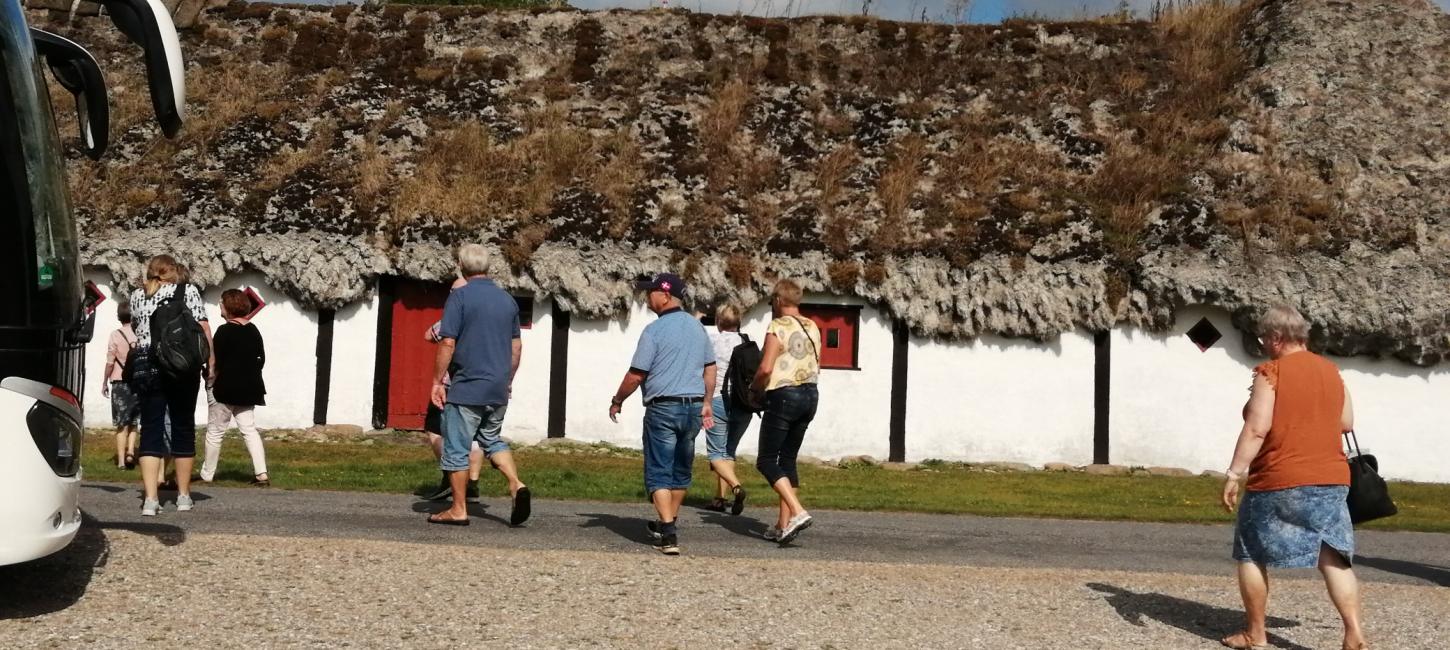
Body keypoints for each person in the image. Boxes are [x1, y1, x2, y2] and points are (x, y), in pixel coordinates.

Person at [1220, 305, 1365, 650]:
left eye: (1263, 339)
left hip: (1279, 477)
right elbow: (1346, 422)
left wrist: (1233, 473)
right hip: (1331, 478)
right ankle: (1354, 632)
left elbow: (1256, 429)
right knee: (1333, 556)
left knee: (1251, 551)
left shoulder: (1271, 373)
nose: (1263, 345)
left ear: (1276, 337)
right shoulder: (1332, 372)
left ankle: (1256, 634)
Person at [608, 272, 716, 556]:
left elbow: (636, 374)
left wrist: (618, 399)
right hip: (692, 407)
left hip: (663, 408)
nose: (647, 297)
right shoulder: (697, 328)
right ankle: (667, 521)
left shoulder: (653, 332)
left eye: (651, 292)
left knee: (658, 470)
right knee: (681, 470)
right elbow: (710, 368)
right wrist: (706, 401)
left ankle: (668, 532)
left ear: (665, 295)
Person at [427, 244, 530, 527]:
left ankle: (458, 508)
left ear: (461, 264)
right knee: (491, 439)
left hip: (467, 386)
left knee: (457, 447)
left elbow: (447, 341)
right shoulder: (507, 301)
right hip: (497, 387)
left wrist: (437, 381)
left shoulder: (459, 298)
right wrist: (507, 381)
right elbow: (516, 347)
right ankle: (516, 483)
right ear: (489, 266)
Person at [128, 254, 212, 516]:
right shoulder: (187, 291)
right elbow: (202, 328)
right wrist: (211, 363)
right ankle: (184, 496)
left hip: (146, 364)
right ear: (173, 271)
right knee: (182, 425)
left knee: (150, 426)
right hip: (180, 365)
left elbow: (136, 328)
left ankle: (151, 499)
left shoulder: (137, 296)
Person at [750, 279, 820, 545]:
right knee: (788, 460)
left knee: (766, 460)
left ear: (779, 300)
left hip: (784, 395)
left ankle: (798, 511)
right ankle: (783, 523)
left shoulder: (777, 327)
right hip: (810, 395)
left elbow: (766, 368)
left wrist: (754, 389)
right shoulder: (812, 326)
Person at [421, 277, 486, 502]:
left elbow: (429, 335)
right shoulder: (485, 318)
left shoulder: (456, 315)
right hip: (481, 385)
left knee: (436, 431)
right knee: (475, 437)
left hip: (451, 385)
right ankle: (473, 482)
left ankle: (451, 478)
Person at [200, 289, 270, 487]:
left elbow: (215, 361)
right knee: (249, 430)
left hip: (225, 388)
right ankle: (261, 473)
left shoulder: (224, 331)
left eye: (222, 303)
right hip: (249, 388)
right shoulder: (254, 330)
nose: (220, 307)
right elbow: (261, 359)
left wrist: (210, 378)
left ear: (228, 307)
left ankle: (207, 473)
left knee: (215, 432)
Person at [704, 303, 750, 515]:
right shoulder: (747, 342)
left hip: (718, 400)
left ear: (718, 321)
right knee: (728, 451)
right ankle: (720, 498)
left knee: (715, 453)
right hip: (743, 402)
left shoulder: (711, 340)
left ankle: (736, 487)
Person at [102, 302, 140, 470]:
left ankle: (121, 461)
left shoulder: (115, 335)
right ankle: (131, 452)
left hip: (119, 382)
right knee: (133, 421)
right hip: (137, 382)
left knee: (121, 424)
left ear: (119, 316)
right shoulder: (139, 334)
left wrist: (105, 381)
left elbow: (110, 362)